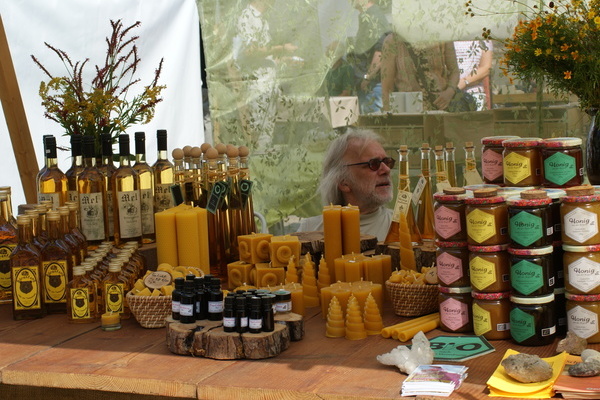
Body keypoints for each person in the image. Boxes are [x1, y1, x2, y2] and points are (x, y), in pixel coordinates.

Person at [298, 128, 394, 241]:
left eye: (387, 162)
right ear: (343, 182)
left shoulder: (404, 227)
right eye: (374, 164)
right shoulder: (310, 231)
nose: (386, 169)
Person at [233, 0, 297, 151]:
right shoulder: (248, 17)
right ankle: (256, 166)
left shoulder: (261, 18)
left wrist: (283, 60)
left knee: (267, 130)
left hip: (267, 84)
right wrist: (281, 48)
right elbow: (250, 51)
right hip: (257, 86)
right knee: (258, 130)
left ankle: (262, 164)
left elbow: (260, 56)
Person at [381, 34, 460, 112]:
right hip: (410, 111)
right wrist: (389, 119)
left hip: (441, 108)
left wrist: (449, 92)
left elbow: (454, 71)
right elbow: (387, 89)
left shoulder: (442, 36)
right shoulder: (393, 41)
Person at [347, 0, 390, 114]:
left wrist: (367, 78)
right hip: (368, 86)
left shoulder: (373, 17)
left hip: (372, 86)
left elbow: (381, 53)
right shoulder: (367, 17)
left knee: (373, 126)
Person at [454, 40, 493, 111]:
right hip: (449, 93)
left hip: (475, 93)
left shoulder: (483, 37)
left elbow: (486, 67)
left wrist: (464, 82)